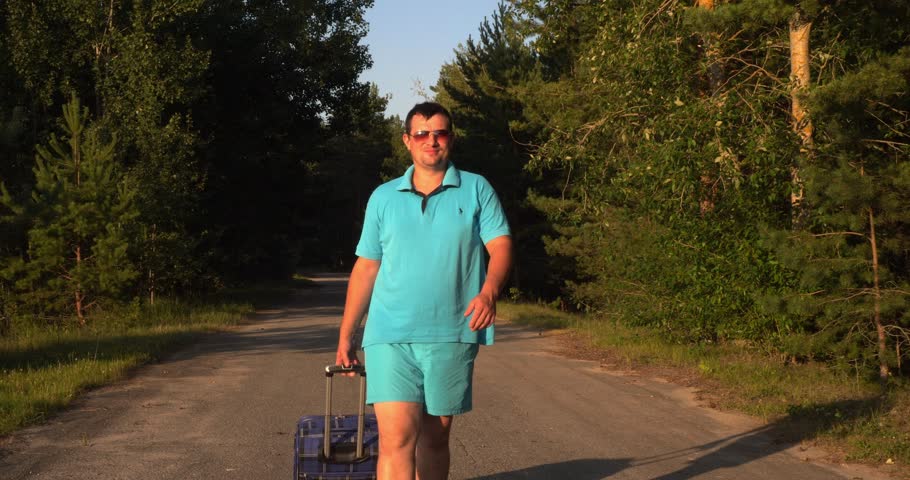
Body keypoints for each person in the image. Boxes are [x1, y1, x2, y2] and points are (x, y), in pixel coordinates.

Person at [335, 102, 513, 480]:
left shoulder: (476, 188)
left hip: (452, 331)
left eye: (440, 133)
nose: (431, 141)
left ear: (451, 138)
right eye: (422, 134)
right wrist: (346, 334)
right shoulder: (383, 197)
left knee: (434, 438)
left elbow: (500, 245)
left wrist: (489, 291)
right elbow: (367, 266)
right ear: (407, 140)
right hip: (389, 335)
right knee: (395, 439)